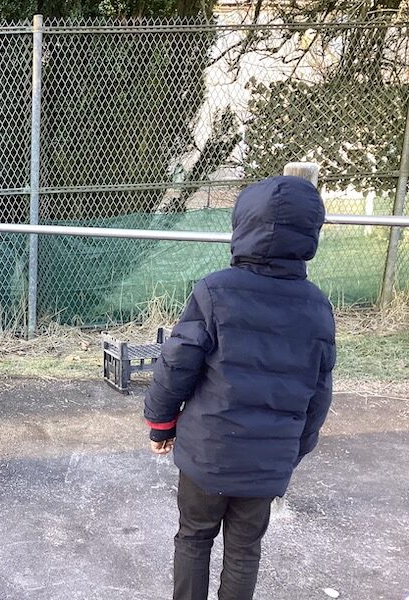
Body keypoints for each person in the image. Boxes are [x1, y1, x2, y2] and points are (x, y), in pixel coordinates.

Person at [144, 175, 336, 599]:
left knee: (193, 537)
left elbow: (177, 363)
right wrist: (293, 450)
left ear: (243, 225)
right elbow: (320, 390)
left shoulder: (215, 291)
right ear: (311, 235)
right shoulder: (317, 307)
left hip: (208, 453)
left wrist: (160, 422)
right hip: (268, 462)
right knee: (245, 549)